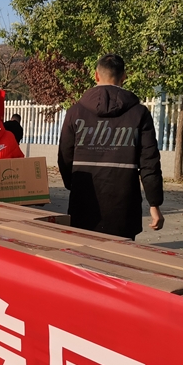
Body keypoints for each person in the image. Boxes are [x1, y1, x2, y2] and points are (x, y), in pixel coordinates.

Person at [58, 54, 164, 240]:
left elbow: (65, 157)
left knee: (83, 255)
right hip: (123, 208)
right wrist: (154, 204)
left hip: (83, 203)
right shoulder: (139, 113)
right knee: (118, 257)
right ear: (124, 76)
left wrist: (72, 184)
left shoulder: (75, 112)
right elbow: (149, 163)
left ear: (96, 75)